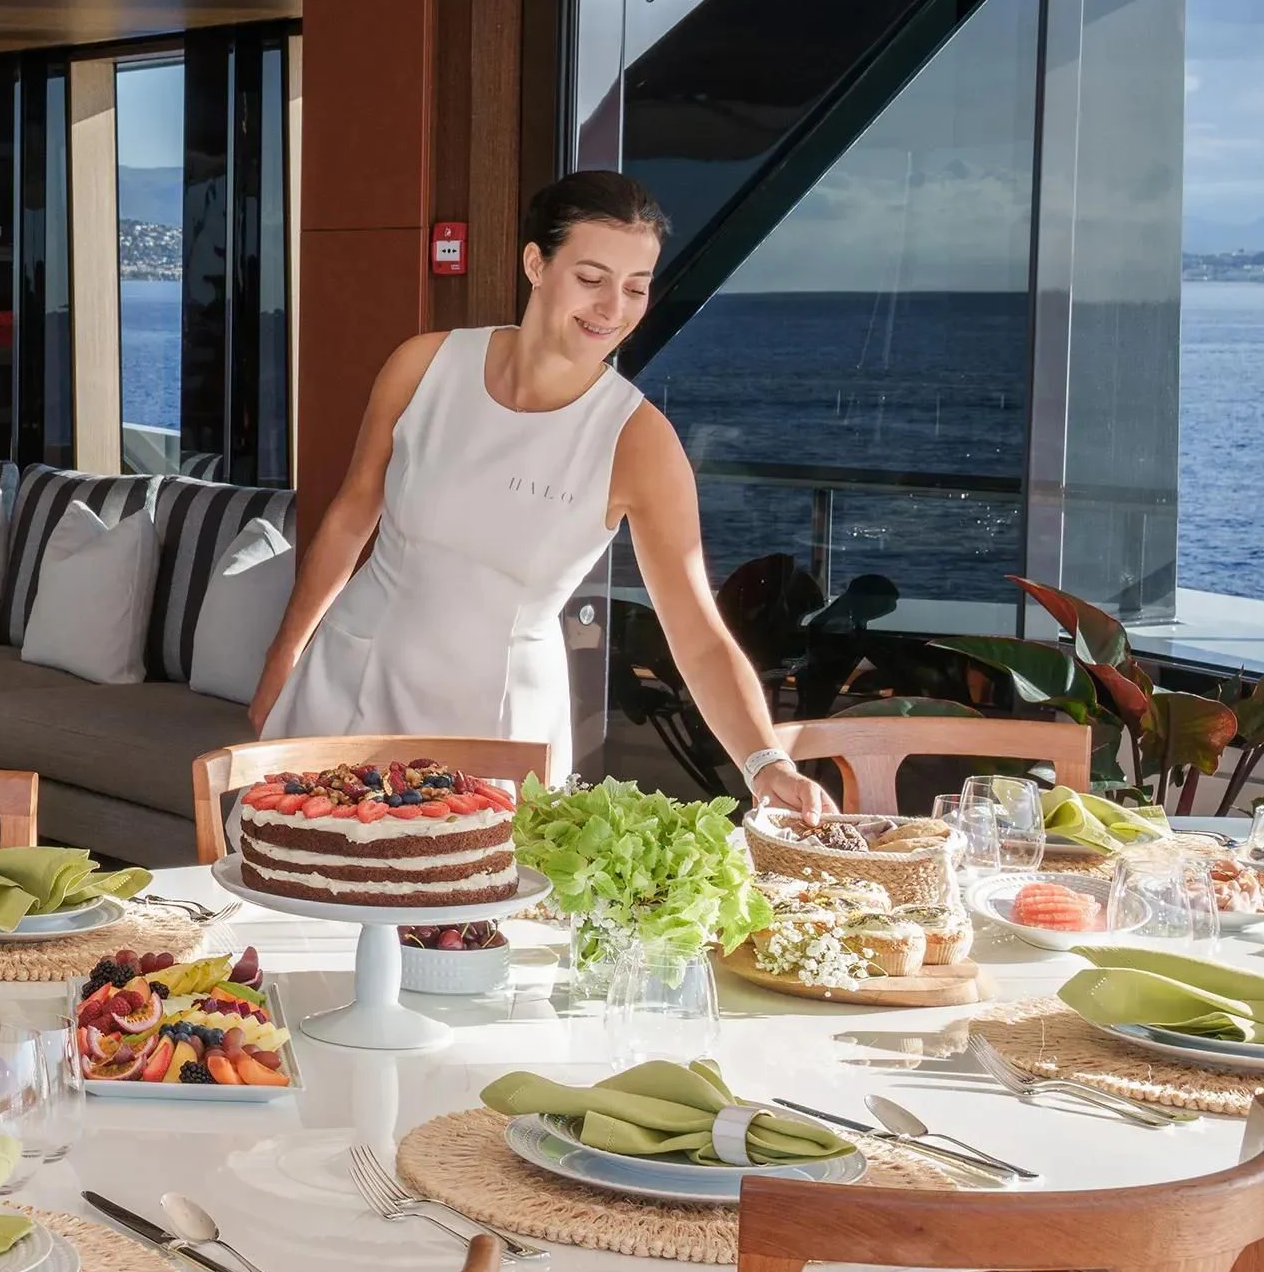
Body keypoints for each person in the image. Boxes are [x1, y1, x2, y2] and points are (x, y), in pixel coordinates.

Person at [248, 170, 837, 814]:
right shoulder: (424, 365)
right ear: (536, 262)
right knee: (299, 889)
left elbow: (696, 631)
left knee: (456, 909)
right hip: (345, 680)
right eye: (591, 279)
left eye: (635, 288)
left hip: (493, 721)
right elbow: (351, 514)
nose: (613, 308)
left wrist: (766, 763)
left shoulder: (638, 442)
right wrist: (285, 655)